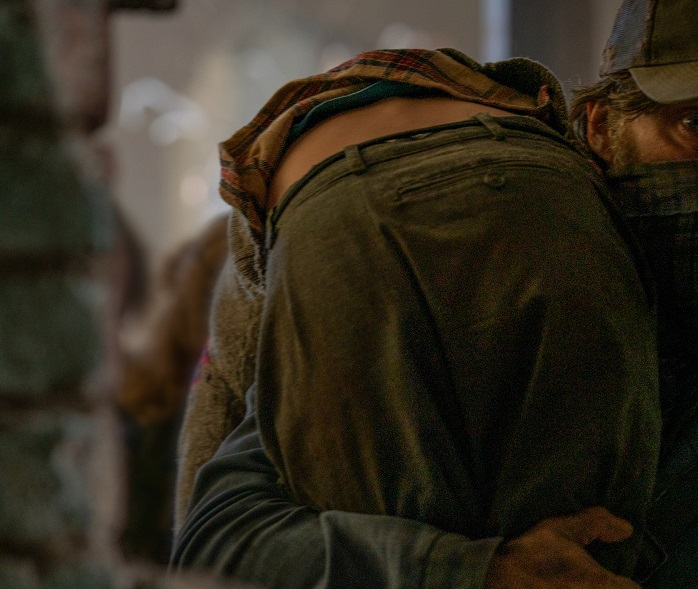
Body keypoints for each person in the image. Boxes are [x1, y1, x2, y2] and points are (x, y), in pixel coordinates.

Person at [173, 0, 698, 587]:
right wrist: (473, 573)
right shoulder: (467, 323)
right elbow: (224, 543)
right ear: (602, 130)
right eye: (697, 125)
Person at [171, 48, 660, 586]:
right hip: (527, 180)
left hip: (346, 203)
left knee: (564, 559)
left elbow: (213, 544)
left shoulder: (258, 294)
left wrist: (466, 571)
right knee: (580, 551)